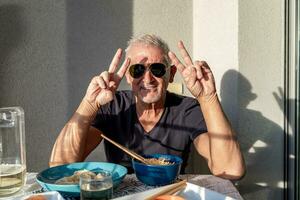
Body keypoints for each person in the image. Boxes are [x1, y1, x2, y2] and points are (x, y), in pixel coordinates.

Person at [49, 34, 245, 180]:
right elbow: (60, 165)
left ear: (171, 73)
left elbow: (230, 170)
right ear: (127, 75)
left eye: (157, 69)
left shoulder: (187, 109)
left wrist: (208, 97)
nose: (148, 79)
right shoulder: (113, 106)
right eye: (138, 70)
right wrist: (89, 104)